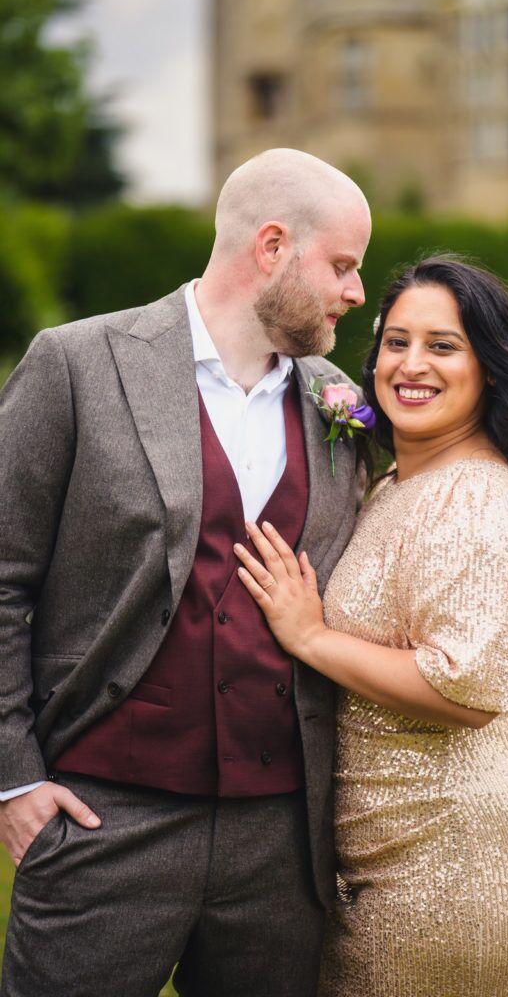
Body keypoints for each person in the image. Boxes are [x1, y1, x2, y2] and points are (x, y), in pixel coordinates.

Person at [0, 148, 371, 997]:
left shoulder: (340, 401)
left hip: (280, 840)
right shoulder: (76, 365)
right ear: (271, 247)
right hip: (104, 817)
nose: (356, 293)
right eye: (343, 266)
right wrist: (13, 779)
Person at [234, 255, 508, 997]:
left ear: (489, 367)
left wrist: (310, 637)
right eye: (395, 342)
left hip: (456, 857)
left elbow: (462, 688)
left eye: (442, 345)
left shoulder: (479, 499)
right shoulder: (399, 483)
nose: (410, 365)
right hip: (391, 848)